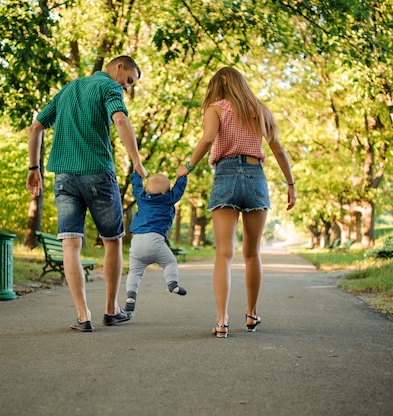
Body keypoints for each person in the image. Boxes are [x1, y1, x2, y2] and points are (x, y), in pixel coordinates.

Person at [26, 55, 147, 333]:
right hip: (97, 173)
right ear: (119, 67)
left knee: (70, 245)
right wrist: (136, 160)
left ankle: (83, 316)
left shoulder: (68, 90)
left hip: (65, 177)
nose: (127, 87)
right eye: (129, 80)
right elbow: (119, 120)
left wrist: (34, 167)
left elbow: (36, 127)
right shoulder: (109, 88)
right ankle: (111, 310)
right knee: (113, 240)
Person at [177, 67, 296, 338]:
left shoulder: (216, 109)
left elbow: (208, 139)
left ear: (216, 87)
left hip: (226, 175)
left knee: (224, 254)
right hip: (255, 176)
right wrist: (291, 184)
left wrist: (188, 166)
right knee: (252, 253)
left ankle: (222, 321)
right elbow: (277, 147)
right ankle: (251, 315)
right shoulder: (260, 109)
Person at [123, 171, 188, 315]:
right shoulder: (169, 199)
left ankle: (130, 298)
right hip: (155, 241)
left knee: (134, 272)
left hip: (137, 243)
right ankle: (172, 283)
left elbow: (136, 186)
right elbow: (179, 189)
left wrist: (136, 175)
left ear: (146, 190)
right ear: (167, 191)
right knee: (170, 263)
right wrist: (182, 176)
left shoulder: (142, 198)